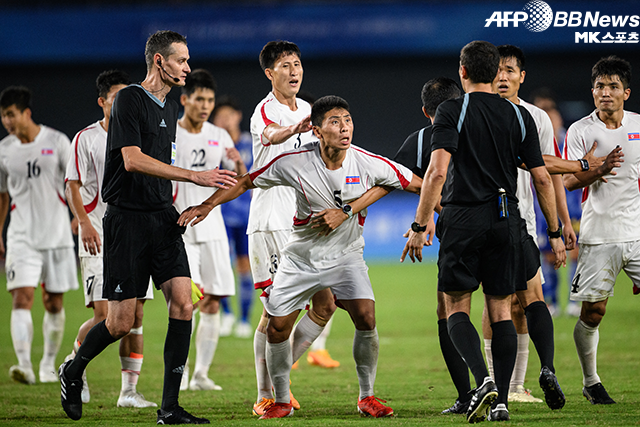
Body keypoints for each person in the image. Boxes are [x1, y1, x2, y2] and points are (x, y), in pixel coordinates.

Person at [178, 94, 424, 419]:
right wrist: (208, 204)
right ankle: (279, 399)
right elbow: (246, 182)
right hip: (301, 257)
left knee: (366, 316)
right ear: (318, 132)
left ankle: (367, 396)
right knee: (277, 327)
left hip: (346, 256)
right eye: (334, 122)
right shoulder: (293, 161)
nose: (344, 128)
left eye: (347, 120)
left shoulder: (365, 161)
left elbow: (419, 184)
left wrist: (425, 220)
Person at [58, 30, 237, 424]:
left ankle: (169, 408)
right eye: (182, 61)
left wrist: (189, 201)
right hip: (126, 220)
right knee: (120, 322)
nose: (188, 68)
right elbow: (134, 160)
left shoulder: (170, 107)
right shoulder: (130, 99)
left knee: (184, 303)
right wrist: (194, 177)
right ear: (160, 61)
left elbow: (161, 162)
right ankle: (73, 370)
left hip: (162, 218)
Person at [401, 41, 566, 423]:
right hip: (507, 218)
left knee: (455, 305)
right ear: (496, 73)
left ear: (462, 71)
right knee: (501, 309)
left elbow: (437, 173)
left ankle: (483, 381)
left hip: (463, 218)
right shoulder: (520, 116)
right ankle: (505, 401)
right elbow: (541, 177)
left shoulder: (451, 111)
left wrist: (418, 224)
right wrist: (554, 229)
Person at [246, 40, 338, 416]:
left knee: (325, 304)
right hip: (271, 222)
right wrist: (293, 129)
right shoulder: (264, 111)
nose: (294, 71)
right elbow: (271, 136)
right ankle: (265, 392)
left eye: (297, 64)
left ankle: (280, 373)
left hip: (302, 224)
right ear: (270, 73)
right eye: (285, 65)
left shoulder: (308, 109)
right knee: (274, 314)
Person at [64, 69, 156, 408]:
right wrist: (84, 223)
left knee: (136, 317)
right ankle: (74, 367)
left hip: (133, 235)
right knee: (107, 316)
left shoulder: (138, 135)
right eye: (116, 99)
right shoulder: (85, 138)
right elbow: (72, 184)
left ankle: (128, 392)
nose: (122, 106)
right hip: (98, 236)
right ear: (102, 102)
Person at [394, 77, 474, 415]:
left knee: (450, 310)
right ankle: (508, 389)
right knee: (505, 309)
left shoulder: (425, 138)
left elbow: (399, 176)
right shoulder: (489, 126)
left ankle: (469, 393)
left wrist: (425, 216)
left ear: (425, 111)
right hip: (504, 224)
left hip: (457, 231)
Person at [563, 55, 635, 405]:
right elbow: (568, 182)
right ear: (593, 92)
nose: (605, 92)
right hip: (599, 234)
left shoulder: (639, 126)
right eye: (600, 87)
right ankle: (591, 382)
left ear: (626, 92)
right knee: (594, 312)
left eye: (613, 87)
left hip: (637, 233)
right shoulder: (580, 131)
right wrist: (598, 168)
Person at [173, 69, 246, 391]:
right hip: (180, 229)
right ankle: (182, 373)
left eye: (210, 100)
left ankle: (201, 374)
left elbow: (240, 182)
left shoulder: (219, 135)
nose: (205, 105)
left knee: (214, 300)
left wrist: (239, 164)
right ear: (184, 99)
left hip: (213, 227)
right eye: (199, 99)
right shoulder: (169, 134)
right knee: (186, 304)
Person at [0, 85, 77, 386]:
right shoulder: (4, 150)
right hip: (21, 236)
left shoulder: (57, 141)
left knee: (53, 303)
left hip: (56, 234)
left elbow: (74, 184)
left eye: (11, 114)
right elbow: (3, 196)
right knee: (22, 296)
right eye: (4, 116)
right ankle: (24, 365)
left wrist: (78, 219)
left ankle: (47, 363)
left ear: (26, 113)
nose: (7, 121)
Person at [211, 95, 255, 339]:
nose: (225, 120)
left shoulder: (252, 142)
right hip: (219, 213)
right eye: (220, 116)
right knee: (220, 264)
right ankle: (226, 313)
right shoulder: (212, 144)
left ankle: (244, 319)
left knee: (245, 266)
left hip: (247, 215)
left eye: (229, 115)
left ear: (238, 117)